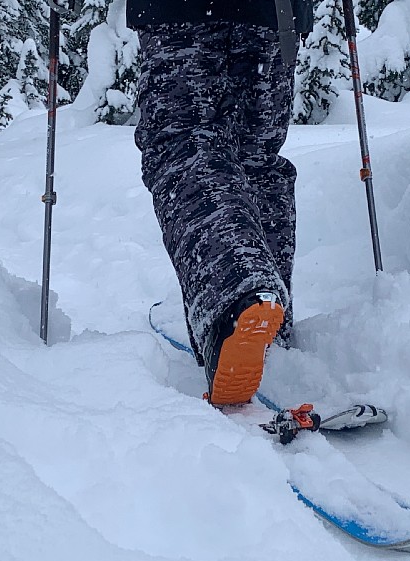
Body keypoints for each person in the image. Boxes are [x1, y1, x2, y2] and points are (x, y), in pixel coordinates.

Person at [128, 0, 313, 405]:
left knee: (181, 144)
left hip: (182, 11)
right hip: (277, 13)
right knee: (256, 161)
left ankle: (236, 298)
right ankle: (267, 330)